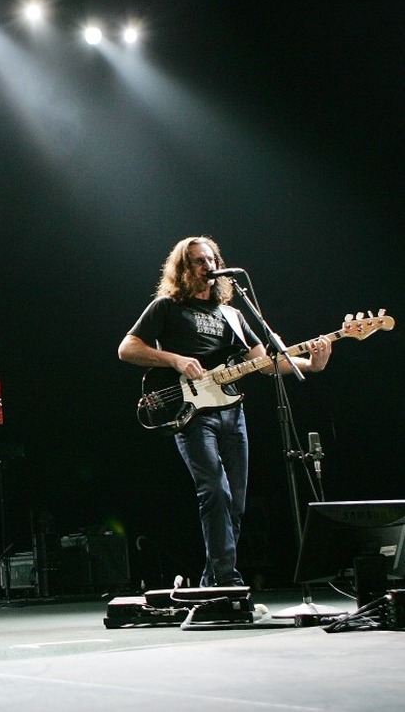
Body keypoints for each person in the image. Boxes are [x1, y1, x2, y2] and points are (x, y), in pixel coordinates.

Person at [117, 236, 331, 588]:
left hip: (232, 412)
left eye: (211, 260)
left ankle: (212, 581)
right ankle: (227, 580)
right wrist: (175, 359)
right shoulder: (167, 307)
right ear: (184, 269)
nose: (208, 267)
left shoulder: (233, 314)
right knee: (215, 491)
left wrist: (310, 364)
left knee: (236, 502)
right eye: (199, 261)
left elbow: (264, 363)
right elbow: (127, 348)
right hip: (192, 412)